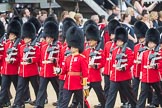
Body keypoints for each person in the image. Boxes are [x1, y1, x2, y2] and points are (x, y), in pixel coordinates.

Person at [105, 27, 136, 108]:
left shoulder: (128, 50)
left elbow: (130, 61)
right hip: (114, 77)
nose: (118, 42)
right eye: (117, 41)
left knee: (130, 94)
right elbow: (112, 62)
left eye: (120, 41)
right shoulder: (114, 50)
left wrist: (123, 67)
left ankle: (135, 106)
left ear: (123, 41)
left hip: (124, 77)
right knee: (111, 95)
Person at [11, 22, 40, 108]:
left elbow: (38, 57)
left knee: (36, 87)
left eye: (27, 37)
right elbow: (19, 58)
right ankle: (18, 103)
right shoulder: (21, 47)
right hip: (22, 71)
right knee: (20, 88)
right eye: (25, 37)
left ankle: (39, 102)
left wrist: (31, 60)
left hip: (32, 71)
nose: (25, 39)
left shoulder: (35, 46)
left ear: (31, 38)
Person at [59, 26, 89, 108]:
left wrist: (85, 85)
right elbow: (64, 70)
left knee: (82, 102)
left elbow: (85, 73)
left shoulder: (81, 58)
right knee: (64, 102)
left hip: (78, 84)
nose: (71, 48)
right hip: (68, 84)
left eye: (73, 47)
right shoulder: (68, 58)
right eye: (71, 46)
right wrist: (58, 71)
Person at [35, 21, 60, 108]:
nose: (47, 39)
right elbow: (40, 57)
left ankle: (61, 103)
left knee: (57, 88)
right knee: (41, 89)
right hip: (44, 71)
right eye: (46, 37)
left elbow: (60, 59)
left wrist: (54, 61)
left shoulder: (57, 46)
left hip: (53, 71)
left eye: (49, 37)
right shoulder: (43, 45)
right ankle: (39, 104)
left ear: (53, 38)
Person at [136, 28, 162, 108]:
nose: (150, 44)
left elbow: (160, 63)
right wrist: (141, 74)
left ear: (155, 43)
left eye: (152, 43)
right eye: (149, 43)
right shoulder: (144, 53)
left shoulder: (159, 52)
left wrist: (155, 66)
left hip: (154, 76)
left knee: (159, 93)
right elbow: (142, 65)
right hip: (145, 77)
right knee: (143, 93)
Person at [84, 22, 106, 108]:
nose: (89, 42)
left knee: (100, 95)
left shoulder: (100, 52)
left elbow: (103, 62)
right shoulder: (87, 51)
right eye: (88, 40)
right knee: (83, 96)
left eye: (91, 40)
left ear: (96, 41)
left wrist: (96, 66)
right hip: (87, 78)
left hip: (95, 78)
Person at [0, 20, 21, 108]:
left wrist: (13, 61)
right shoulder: (6, 44)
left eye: (12, 35)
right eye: (10, 34)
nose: (10, 36)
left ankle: (19, 103)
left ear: (16, 35)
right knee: (4, 88)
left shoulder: (19, 45)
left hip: (14, 70)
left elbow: (19, 58)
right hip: (5, 70)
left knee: (18, 88)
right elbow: (4, 56)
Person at [132, 20, 148, 100]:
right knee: (134, 87)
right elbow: (134, 58)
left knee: (145, 89)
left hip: (144, 71)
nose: (140, 39)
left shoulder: (148, 47)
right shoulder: (136, 47)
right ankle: (133, 102)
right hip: (136, 70)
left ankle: (150, 101)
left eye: (142, 37)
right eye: (139, 38)